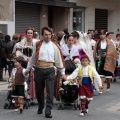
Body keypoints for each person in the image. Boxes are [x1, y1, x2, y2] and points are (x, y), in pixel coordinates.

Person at [25, 26, 66, 118]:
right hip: (38, 69)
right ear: (42, 35)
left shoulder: (55, 45)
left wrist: (62, 73)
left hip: (50, 70)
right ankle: (41, 105)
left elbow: (58, 59)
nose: (47, 36)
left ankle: (48, 110)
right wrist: (28, 69)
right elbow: (33, 57)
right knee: (39, 91)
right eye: (45, 35)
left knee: (49, 90)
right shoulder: (37, 44)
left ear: (51, 35)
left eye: (49, 35)